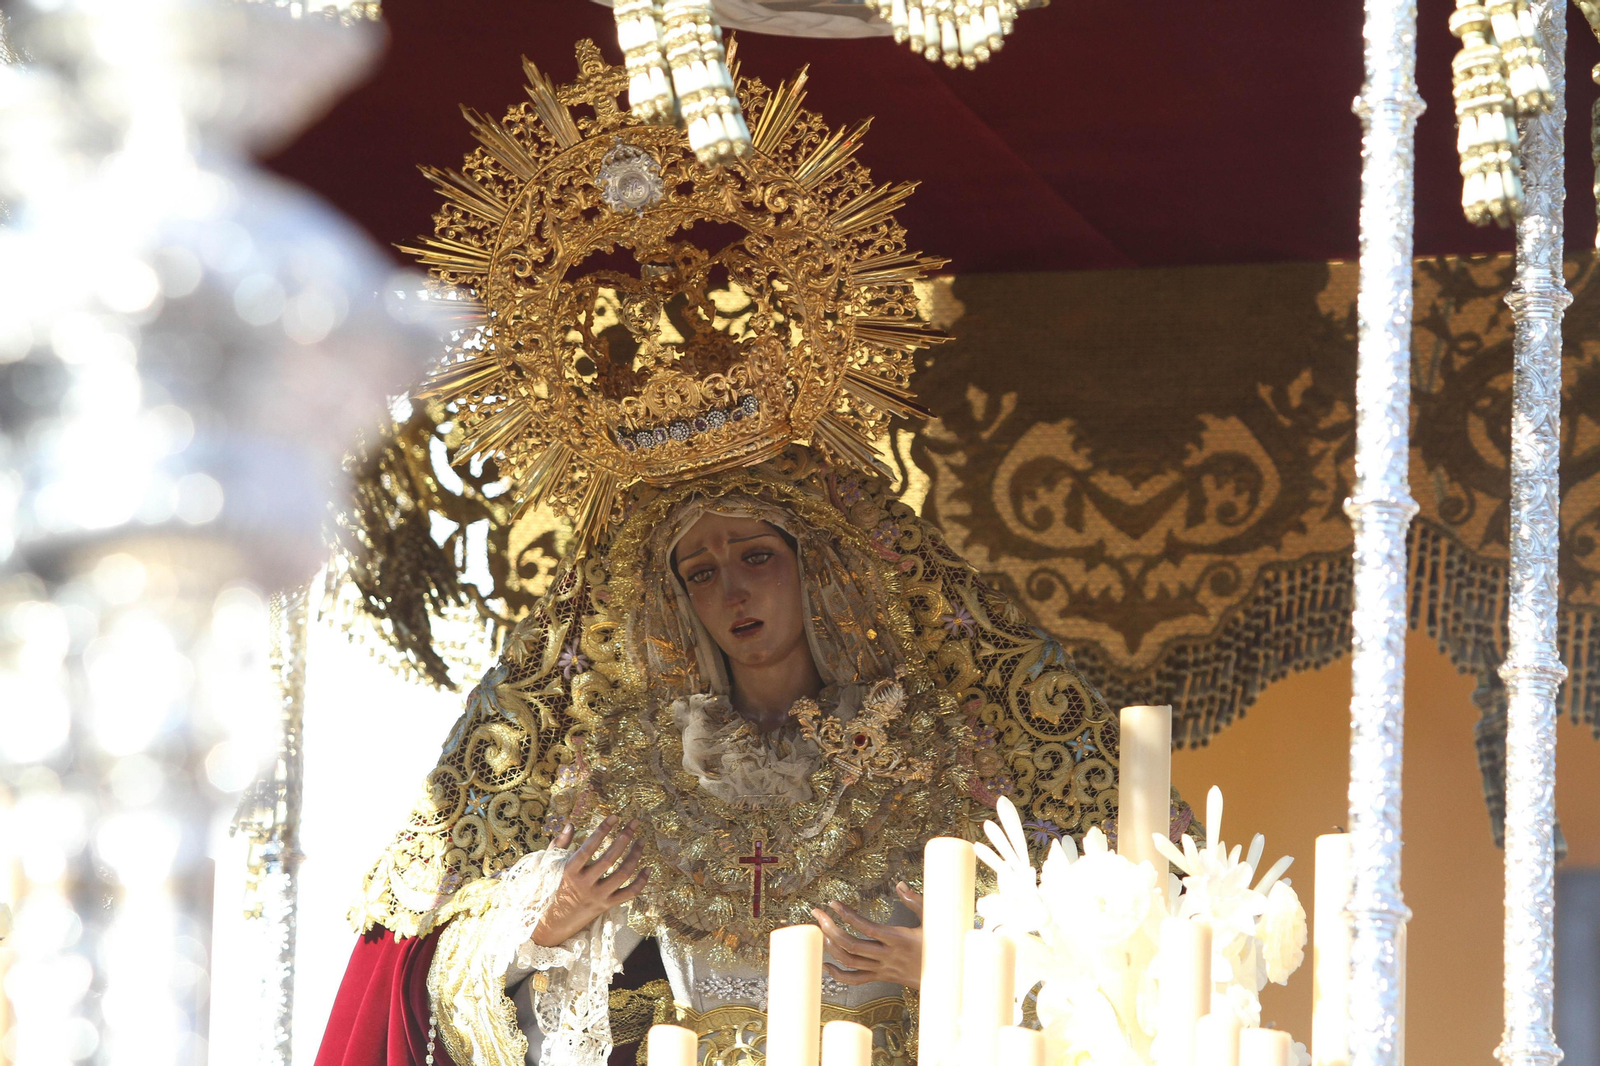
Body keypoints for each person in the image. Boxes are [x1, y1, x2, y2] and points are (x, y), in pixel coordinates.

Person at [312, 41, 1128, 1066]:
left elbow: (1120, 949)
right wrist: (545, 921)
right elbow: (454, 961)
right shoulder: (628, 768)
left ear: (816, 567)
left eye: (756, 557)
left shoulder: (937, 751)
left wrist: (960, 967)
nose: (731, 589)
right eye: (700, 572)